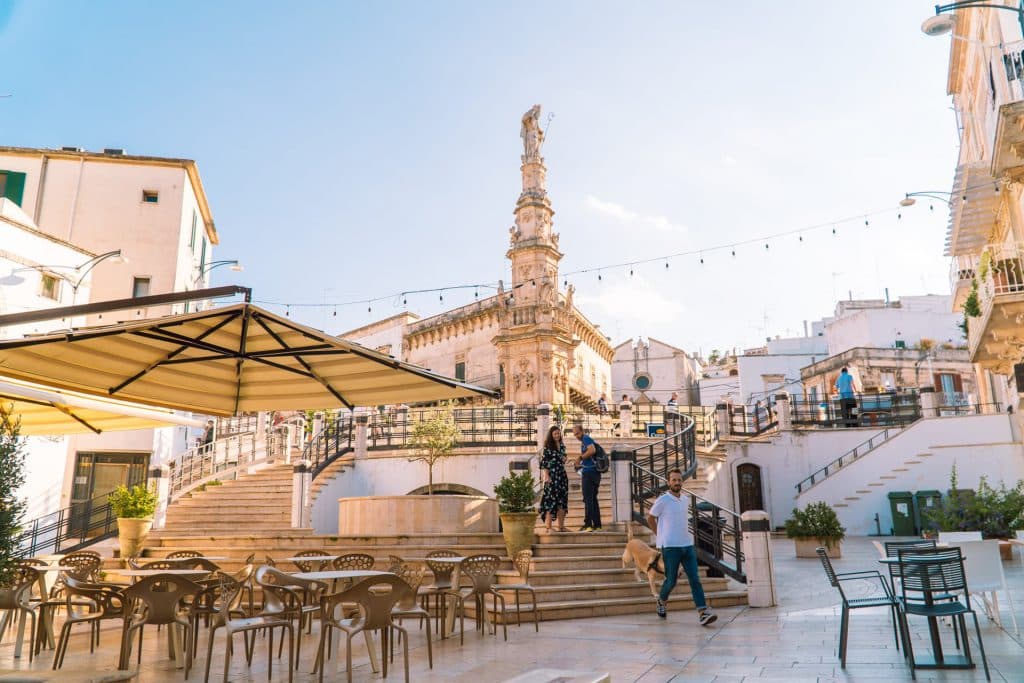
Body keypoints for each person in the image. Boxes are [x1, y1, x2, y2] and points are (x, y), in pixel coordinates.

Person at [646, 468, 717, 626]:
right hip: (670, 547)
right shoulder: (663, 500)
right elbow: (650, 518)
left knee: (695, 579)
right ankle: (661, 602)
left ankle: (702, 612)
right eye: (674, 480)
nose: (677, 482)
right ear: (668, 482)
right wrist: (660, 535)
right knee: (671, 581)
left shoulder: (685, 499)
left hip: (687, 545)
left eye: (679, 480)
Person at [538, 426, 569, 533]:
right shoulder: (548, 446)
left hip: (562, 476)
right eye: (555, 434)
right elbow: (545, 462)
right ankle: (548, 527)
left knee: (562, 502)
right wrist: (546, 476)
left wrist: (565, 458)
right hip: (552, 476)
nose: (557, 435)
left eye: (558, 433)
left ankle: (561, 527)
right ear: (551, 435)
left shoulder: (562, 446)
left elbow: (564, 458)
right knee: (550, 501)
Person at [571, 424, 602, 532]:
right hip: (593, 472)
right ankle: (597, 525)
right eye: (575, 434)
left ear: (582, 431)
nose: (576, 436)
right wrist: (581, 463)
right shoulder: (584, 440)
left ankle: (588, 525)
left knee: (588, 499)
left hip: (590, 473)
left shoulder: (586, 438)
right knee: (593, 499)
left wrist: (580, 458)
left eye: (577, 433)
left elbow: (592, 450)